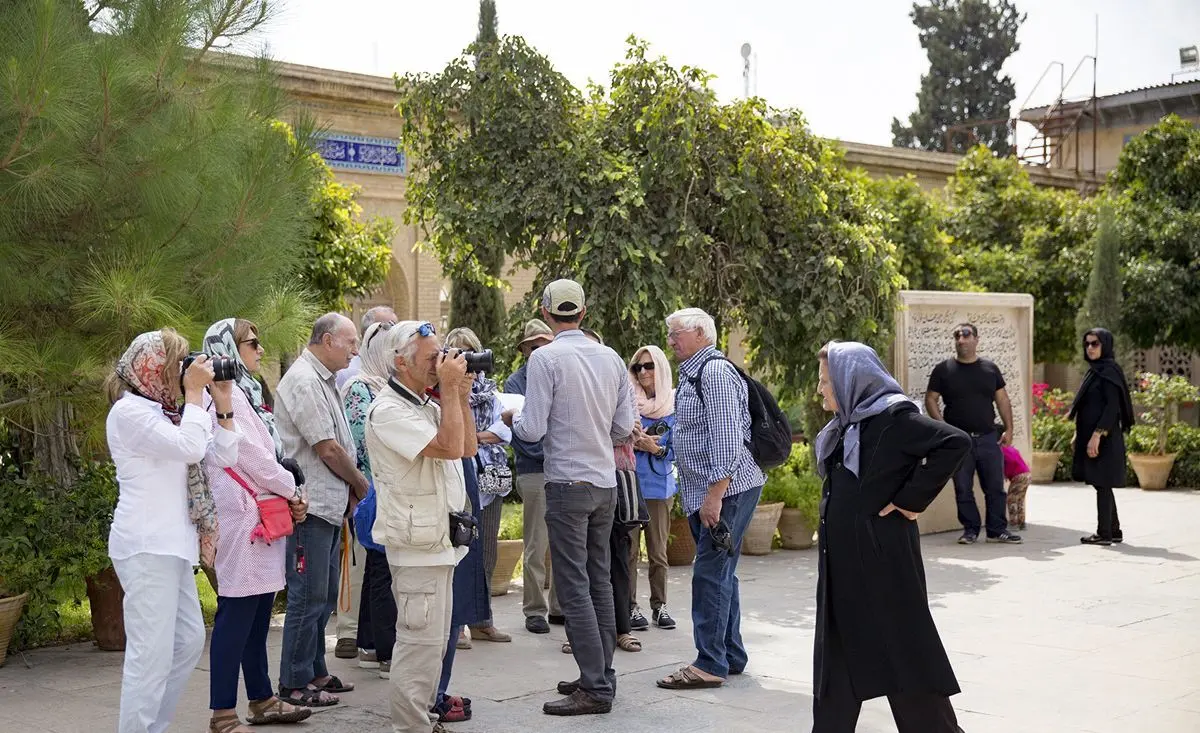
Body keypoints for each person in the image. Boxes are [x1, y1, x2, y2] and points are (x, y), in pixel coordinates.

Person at [811, 341, 970, 733]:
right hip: (843, 569)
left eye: (825, 381)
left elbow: (955, 442)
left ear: (852, 381)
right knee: (837, 668)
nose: (820, 390)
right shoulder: (845, 427)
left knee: (908, 663)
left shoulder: (894, 419)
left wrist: (909, 500)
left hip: (885, 568)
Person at [503, 280, 637, 716]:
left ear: (546, 312)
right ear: (584, 312)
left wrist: (512, 416)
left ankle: (595, 687)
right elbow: (622, 429)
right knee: (597, 579)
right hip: (604, 483)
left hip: (566, 483)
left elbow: (532, 430)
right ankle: (600, 674)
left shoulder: (545, 358)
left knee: (575, 584)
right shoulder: (612, 357)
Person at [105, 329, 239, 733]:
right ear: (154, 369)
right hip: (147, 546)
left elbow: (221, 455)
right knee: (151, 655)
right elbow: (190, 449)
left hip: (172, 547)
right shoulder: (129, 414)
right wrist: (196, 396)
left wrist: (225, 404)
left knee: (185, 643)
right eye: (178, 365)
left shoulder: (169, 413)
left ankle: (153, 726)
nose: (184, 374)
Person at [200, 319, 312, 733]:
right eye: (252, 342)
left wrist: (288, 490)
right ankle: (222, 711)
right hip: (243, 518)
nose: (261, 350)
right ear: (227, 347)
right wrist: (291, 485)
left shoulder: (244, 394)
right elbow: (252, 458)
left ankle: (262, 698)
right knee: (236, 613)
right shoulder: (220, 398)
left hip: (260, 515)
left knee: (258, 613)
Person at [365, 321, 475, 733]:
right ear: (401, 362)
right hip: (416, 546)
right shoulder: (388, 410)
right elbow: (447, 446)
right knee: (417, 647)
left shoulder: (421, 404)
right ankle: (410, 727)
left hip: (438, 541)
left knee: (435, 645)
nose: (441, 364)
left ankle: (424, 720)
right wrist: (448, 389)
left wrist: (459, 396)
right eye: (432, 358)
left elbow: (465, 448)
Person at [656, 308, 765, 691]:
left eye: (676, 333)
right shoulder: (696, 373)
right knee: (721, 574)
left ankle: (710, 663)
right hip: (716, 489)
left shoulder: (714, 373)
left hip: (726, 490)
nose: (670, 341)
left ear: (701, 333)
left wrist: (714, 496)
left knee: (709, 574)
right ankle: (729, 655)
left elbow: (727, 440)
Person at [275, 313, 369, 706]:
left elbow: (337, 444)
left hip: (328, 505)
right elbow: (327, 447)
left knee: (325, 595)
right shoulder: (302, 379)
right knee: (308, 595)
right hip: (309, 507)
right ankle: (293, 682)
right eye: (350, 342)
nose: (355, 351)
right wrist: (362, 485)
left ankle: (315, 671)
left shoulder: (322, 378)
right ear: (327, 340)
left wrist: (349, 488)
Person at [924, 323, 1022, 545]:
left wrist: (1009, 428)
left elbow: (1003, 400)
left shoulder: (990, 368)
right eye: (957, 335)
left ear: (976, 339)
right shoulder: (943, 370)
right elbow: (931, 399)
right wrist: (945, 429)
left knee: (995, 487)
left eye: (966, 334)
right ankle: (970, 530)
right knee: (962, 487)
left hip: (988, 437)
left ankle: (997, 530)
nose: (961, 339)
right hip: (959, 441)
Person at [336, 305, 397, 662]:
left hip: (392, 493)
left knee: (379, 571)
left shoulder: (387, 386)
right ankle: (362, 639)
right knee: (368, 569)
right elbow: (362, 444)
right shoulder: (359, 387)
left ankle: (372, 642)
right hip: (371, 493)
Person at [444, 327, 512, 646]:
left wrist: (477, 436)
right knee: (459, 549)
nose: (466, 360)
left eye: (470, 351)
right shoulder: (442, 390)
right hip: (458, 474)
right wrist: (481, 436)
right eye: (457, 352)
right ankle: (457, 624)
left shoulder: (490, 391)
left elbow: (505, 431)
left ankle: (484, 620)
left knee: (487, 550)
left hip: (491, 478)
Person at [505, 318, 558, 634]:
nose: (540, 351)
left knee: (566, 546)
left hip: (563, 470)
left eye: (546, 345)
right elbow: (522, 436)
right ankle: (535, 610)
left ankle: (562, 607)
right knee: (537, 546)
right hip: (536, 470)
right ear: (525, 350)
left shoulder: (561, 373)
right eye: (535, 346)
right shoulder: (516, 383)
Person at [627, 345, 677, 632]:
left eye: (649, 366)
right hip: (631, 485)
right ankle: (631, 607)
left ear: (660, 368)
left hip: (659, 487)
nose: (643, 372)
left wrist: (653, 448)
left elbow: (677, 450)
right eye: (637, 367)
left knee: (658, 553)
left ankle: (660, 606)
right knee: (629, 553)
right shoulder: (627, 402)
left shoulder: (673, 403)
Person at [1069, 328, 1135, 547]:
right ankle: (1114, 531)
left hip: (1104, 436)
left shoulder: (1109, 371)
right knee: (1101, 483)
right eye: (1087, 344)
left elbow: (1112, 407)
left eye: (1095, 344)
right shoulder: (1095, 371)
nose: (1090, 348)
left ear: (1105, 345)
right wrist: (1079, 433)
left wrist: (1097, 435)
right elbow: (1086, 406)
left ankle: (1104, 533)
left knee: (1102, 483)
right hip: (1092, 434)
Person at [1001, 440, 1032, 531]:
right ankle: (1022, 523)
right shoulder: (1011, 448)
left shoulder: (1000, 450)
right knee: (1020, 500)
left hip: (1018, 476)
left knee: (1011, 499)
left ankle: (1014, 523)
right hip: (1027, 474)